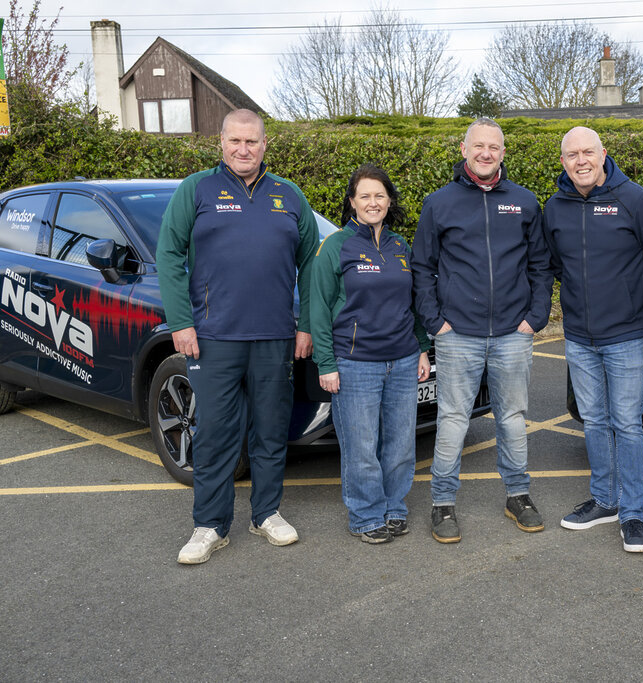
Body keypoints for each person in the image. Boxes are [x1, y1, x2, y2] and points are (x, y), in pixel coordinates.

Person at [157, 109, 320, 564]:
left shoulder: (289, 196)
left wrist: (305, 323)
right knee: (213, 433)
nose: (243, 149)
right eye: (235, 141)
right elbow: (168, 254)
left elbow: (311, 263)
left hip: (275, 337)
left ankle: (266, 513)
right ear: (221, 143)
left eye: (252, 141)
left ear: (265, 144)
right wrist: (181, 322)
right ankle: (210, 525)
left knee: (270, 431)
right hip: (213, 337)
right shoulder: (197, 190)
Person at [411, 117, 553, 544]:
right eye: (479, 146)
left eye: (494, 146)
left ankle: (518, 495)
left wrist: (536, 317)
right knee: (453, 419)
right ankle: (442, 502)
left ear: (503, 153)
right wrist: (436, 322)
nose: (486, 153)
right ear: (464, 149)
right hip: (458, 335)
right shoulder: (440, 203)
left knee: (512, 418)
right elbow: (422, 267)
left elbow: (541, 265)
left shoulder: (525, 202)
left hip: (514, 332)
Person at [543, 126, 643, 553]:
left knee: (628, 425)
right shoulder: (555, 207)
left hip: (626, 336)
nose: (581, 161)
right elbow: (557, 265)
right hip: (578, 336)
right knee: (594, 421)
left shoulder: (637, 201)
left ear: (602, 154)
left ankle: (632, 512)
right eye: (572, 154)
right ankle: (605, 500)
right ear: (563, 161)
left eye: (588, 152)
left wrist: (631, 303)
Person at [310, 165, 431, 544]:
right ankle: (365, 515)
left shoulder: (400, 246)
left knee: (399, 443)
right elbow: (318, 307)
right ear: (352, 203)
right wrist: (326, 364)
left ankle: (394, 507)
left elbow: (411, 302)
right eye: (365, 196)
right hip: (355, 362)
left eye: (379, 195)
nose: (373, 202)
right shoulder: (335, 247)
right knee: (361, 446)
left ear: (389, 200)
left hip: (403, 358)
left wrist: (423, 349)